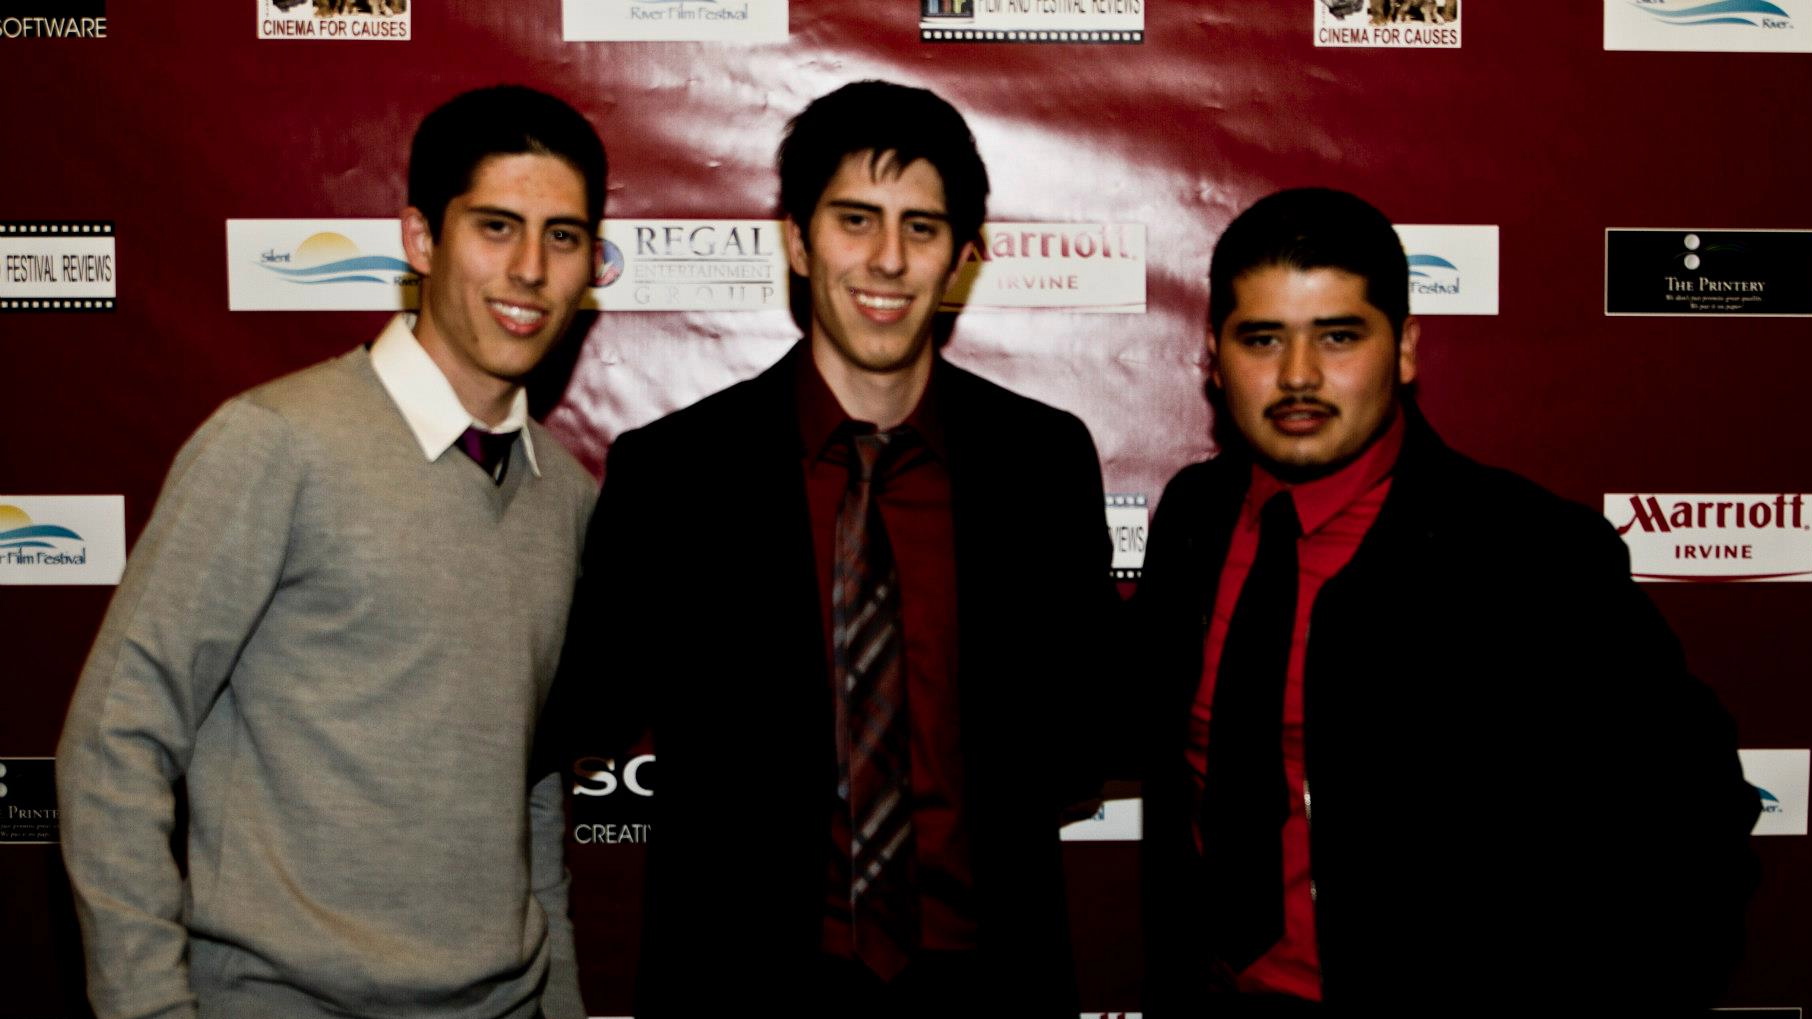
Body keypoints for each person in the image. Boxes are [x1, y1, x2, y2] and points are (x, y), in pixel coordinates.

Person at [548, 80, 1113, 1017]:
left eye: (922, 228)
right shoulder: (674, 475)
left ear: (964, 258)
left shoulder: (1042, 463)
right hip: (743, 986)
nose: (887, 260)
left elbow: (1079, 737)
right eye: (856, 220)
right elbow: (582, 706)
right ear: (799, 242)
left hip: (989, 982)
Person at [1134, 188, 1759, 1017]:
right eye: (1262, 339)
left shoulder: (1533, 554)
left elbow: (1700, 824)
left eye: (1339, 336)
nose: (1297, 376)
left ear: (1404, 351)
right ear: (1214, 357)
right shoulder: (1194, 517)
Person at [56, 85, 606, 1019]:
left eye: (562, 237)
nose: (528, 269)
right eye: (497, 226)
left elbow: (531, 787)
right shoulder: (275, 442)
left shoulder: (571, 497)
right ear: (422, 239)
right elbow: (114, 738)